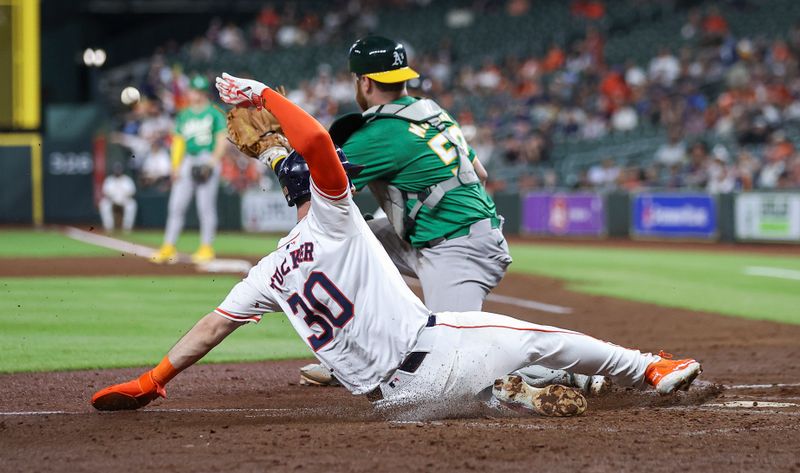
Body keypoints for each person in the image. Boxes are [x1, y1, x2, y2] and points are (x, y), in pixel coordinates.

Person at [90, 74, 703, 418]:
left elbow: (208, 331)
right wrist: (268, 97)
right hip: (435, 353)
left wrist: (150, 381)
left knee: (477, 377)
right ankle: (651, 366)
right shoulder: (338, 221)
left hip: (396, 401)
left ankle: (519, 395)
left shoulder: (269, 273)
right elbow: (321, 153)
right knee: (538, 335)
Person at [309, 35, 593, 393]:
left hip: (456, 248)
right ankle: (354, 356)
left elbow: (315, 192)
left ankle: (568, 370)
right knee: (347, 244)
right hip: (453, 233)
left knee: (453, 366)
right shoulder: (430, 111)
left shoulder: (378, 133)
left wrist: (277, 151)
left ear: (364, 82)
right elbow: (482, 173)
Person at [150, 75, 227, 264]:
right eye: (194, 90)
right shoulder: (184, 114)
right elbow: (178, 142)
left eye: (199, 91)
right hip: (188, 160)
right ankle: (168, 246)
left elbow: (221, 139)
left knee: (205, 207)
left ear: (204, 93)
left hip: (207, 158)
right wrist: (175, 167)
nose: (195, 94)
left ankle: (206, 247)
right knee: (176, 205)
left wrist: (212, 162)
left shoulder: (215, 112)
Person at [98, 162, 137, 233]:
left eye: (119, 170)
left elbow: (132, 193)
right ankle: (108, 227)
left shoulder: (127, 180)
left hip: (124, 200)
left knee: (132, 204)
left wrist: (123, 198)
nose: (118, 172)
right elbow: (106, 193)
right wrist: (113, 199)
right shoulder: (109, 180)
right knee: (104, 204)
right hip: (112, 200)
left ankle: (127, 228)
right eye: (116, 170)